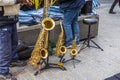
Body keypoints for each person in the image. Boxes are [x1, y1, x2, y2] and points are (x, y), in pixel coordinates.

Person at [0, 0, 32, 80]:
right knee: (5, 49)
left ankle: (13, 60)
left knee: (14, 42)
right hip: (2, 20)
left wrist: (22, 2)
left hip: (12, 18)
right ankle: (2, 72)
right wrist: (17, 0)